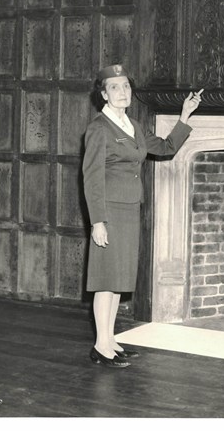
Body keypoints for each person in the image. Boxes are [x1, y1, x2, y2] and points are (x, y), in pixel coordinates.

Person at [82, 64, 202, 368]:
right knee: (105, 281)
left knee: (118, 279)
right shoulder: (98, 129)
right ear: (103, 94)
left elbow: (165, 147)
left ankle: (109, 340)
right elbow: (91, 178)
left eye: (126, 86)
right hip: (108, 212)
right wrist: (98, 221)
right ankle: (100, 345)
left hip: (129, 210)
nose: (123, 92)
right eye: (115, 87)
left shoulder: (133, 125)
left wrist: (184, 116)